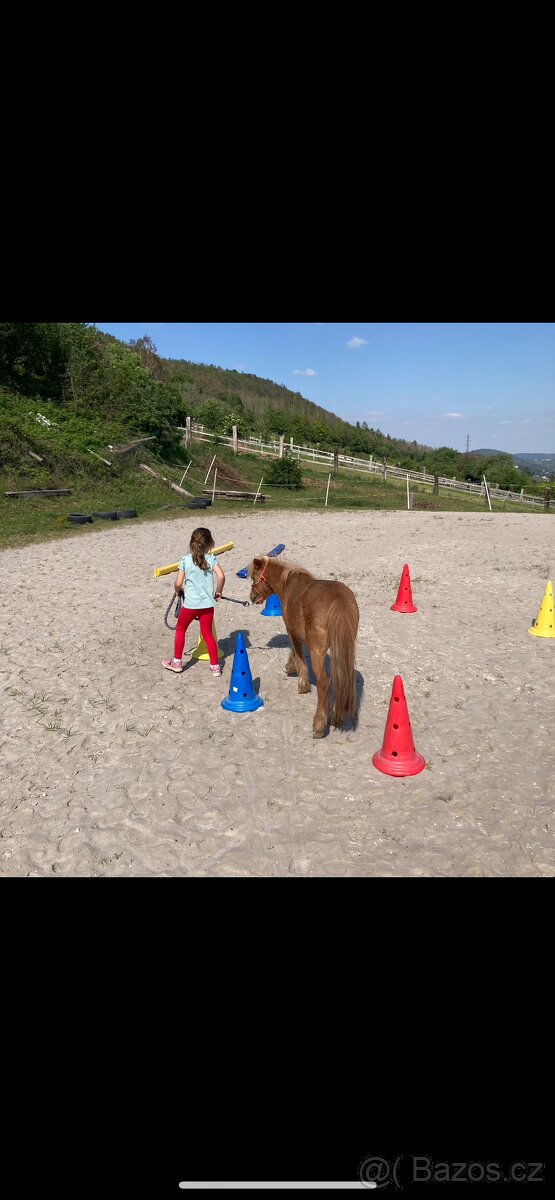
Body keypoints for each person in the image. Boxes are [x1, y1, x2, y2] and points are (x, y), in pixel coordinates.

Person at [162, 527, 225, 676]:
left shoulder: (185, 560)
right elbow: (221, 576)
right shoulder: (211, 559)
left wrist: (178, 590)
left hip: (190, 606)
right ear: (210, 544)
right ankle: (215, 666)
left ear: (191, 544)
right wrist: (219, 592)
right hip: (207, 605)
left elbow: (178, 583)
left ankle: (177, 662)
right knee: (208, 633)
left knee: (181, 629)